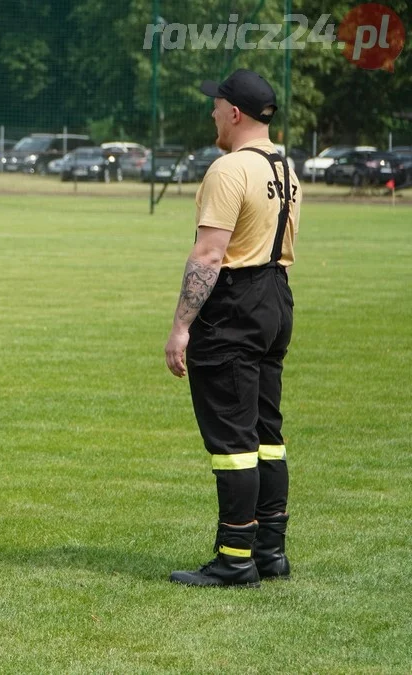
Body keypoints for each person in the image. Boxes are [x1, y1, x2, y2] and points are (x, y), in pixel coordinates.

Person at [164, 69, 299, 588]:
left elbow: (209, 254)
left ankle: (234, 557)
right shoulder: (285, 166)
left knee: (234, 441)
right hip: (276, 298)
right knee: (267, 433)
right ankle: (271, 551)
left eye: (216, 106)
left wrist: (181, 327)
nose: (212, 114)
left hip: (235, 305)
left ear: (235, 112)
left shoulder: (229, 169)